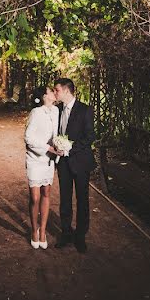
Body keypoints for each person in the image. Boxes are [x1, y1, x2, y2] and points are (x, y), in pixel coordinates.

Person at [52, 77, 96, 253]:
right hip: (62, 163)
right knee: (64, 199)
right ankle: (66, 233)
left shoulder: (85, 110)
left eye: (57, 90)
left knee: (82, 200)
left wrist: (70, 148)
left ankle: (80, 236)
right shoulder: (57, 110)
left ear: (66, 91)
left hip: (80, 161)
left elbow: (90, 136)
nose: (55, 93)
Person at [24, 85, 58, 249]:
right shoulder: (36, 113)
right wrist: (48, 148)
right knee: (35, 197)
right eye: (51, 91)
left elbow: (57, 135)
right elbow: (28, 138)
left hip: (49, 161)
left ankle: (43, 231)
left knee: (46, 193)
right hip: (35, 159)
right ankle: (33, 230)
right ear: (44, 96)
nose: (54, 93)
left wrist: (59, 146)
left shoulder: (56, 111)